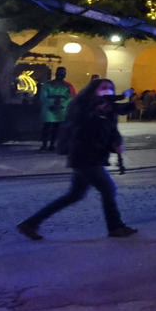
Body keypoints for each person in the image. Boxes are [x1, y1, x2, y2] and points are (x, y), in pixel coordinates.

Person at [17, 78, 137, 239]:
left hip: (93, 156)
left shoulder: (107, 108)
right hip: (84, 155)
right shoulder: (84, 104)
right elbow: (83, 126)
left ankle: (30, 224)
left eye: (110, 87)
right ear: (94, 89)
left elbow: (111, 126)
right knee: (108, 189)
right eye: (104, 87)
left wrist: (116, 142)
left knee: (74, 195)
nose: (107, 90)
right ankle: (115, 227)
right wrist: (99, 112)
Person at [37, 67, 74, 152]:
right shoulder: (47, 85)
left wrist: (62, 105)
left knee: (56, 128)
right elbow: (43, 96)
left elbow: (70, 97)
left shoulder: (67, 86)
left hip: (61, 109)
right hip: (48, 109)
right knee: (46, 127)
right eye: (60, 72)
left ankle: (52, 145)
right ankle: (44, 145)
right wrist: (50, 104)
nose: (61, 74)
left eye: (63, 73)